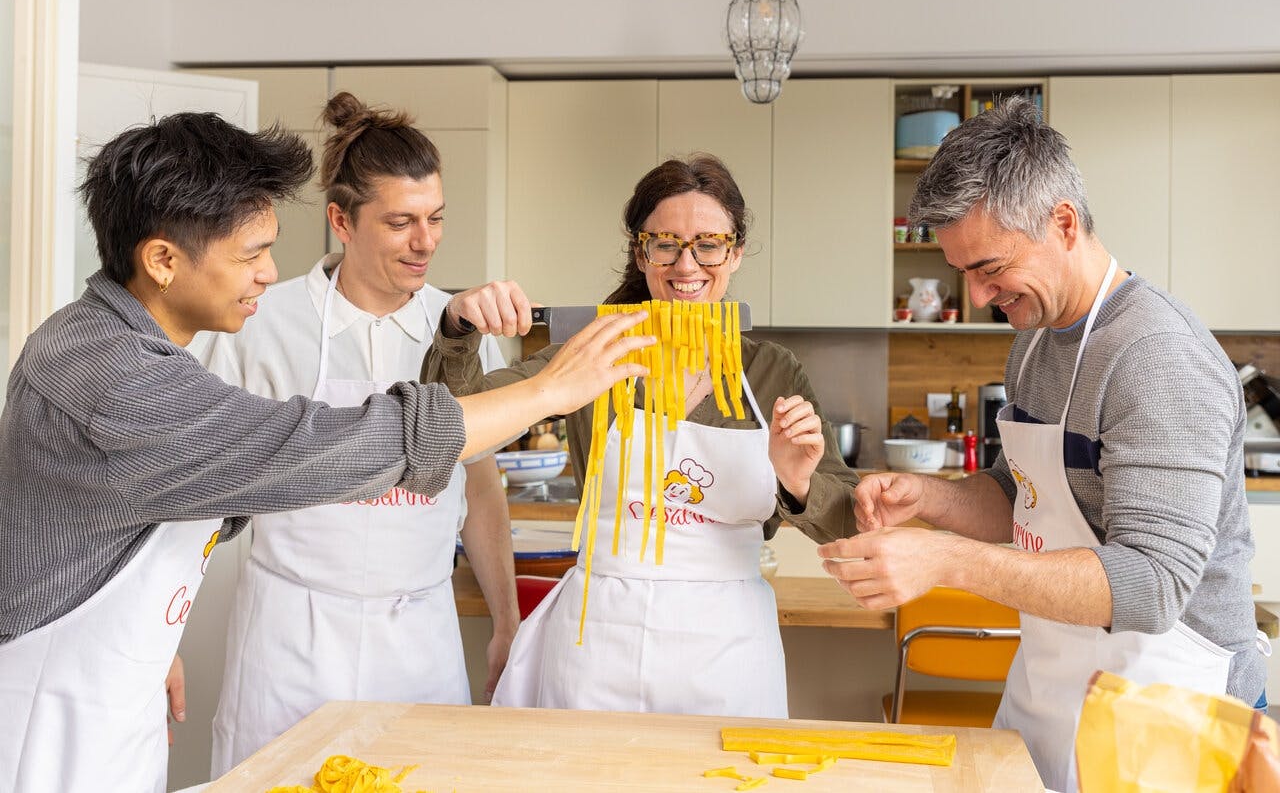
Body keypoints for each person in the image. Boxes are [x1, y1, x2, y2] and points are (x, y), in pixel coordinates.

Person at [0, 112, 652, 793]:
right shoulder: (117, 377)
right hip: (60, 719)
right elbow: (307, 448)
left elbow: (157, 509)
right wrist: (549, 389)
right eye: (249, 254)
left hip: (110, 696)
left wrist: (151, 637)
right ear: (163, 260)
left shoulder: (115, 344)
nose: (267, 272)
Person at [817, 98, 1266, 793]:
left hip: (1172, 720)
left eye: (989, 266)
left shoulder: (1157, 355)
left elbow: (1152, 587)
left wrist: (946, 561)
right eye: (963, 270)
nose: (976, 293)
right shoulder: (1033, 340)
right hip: (1054, 696)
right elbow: (1019, 496)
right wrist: (930, 500)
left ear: (1062, 222)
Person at [422, 154, 860, 718]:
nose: (687, 264)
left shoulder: (772, 372)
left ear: (735, 252)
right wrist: (458, 331)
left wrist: (796, 482)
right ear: (640, 252)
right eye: (666, 243)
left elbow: (845, 518)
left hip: (727, 654)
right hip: (597, 643)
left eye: (708, 243)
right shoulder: (592, 351)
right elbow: (455, 423)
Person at [193, 93, 519, 775]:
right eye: (400, 222)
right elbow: (197, 494)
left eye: (434, 219)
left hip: (418, 637)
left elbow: (482, 491)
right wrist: (156, 637)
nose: (425, 242)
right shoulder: (261, 322)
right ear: (342, 220)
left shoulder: (462, 331)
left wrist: (507, 623)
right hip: (291, 639)